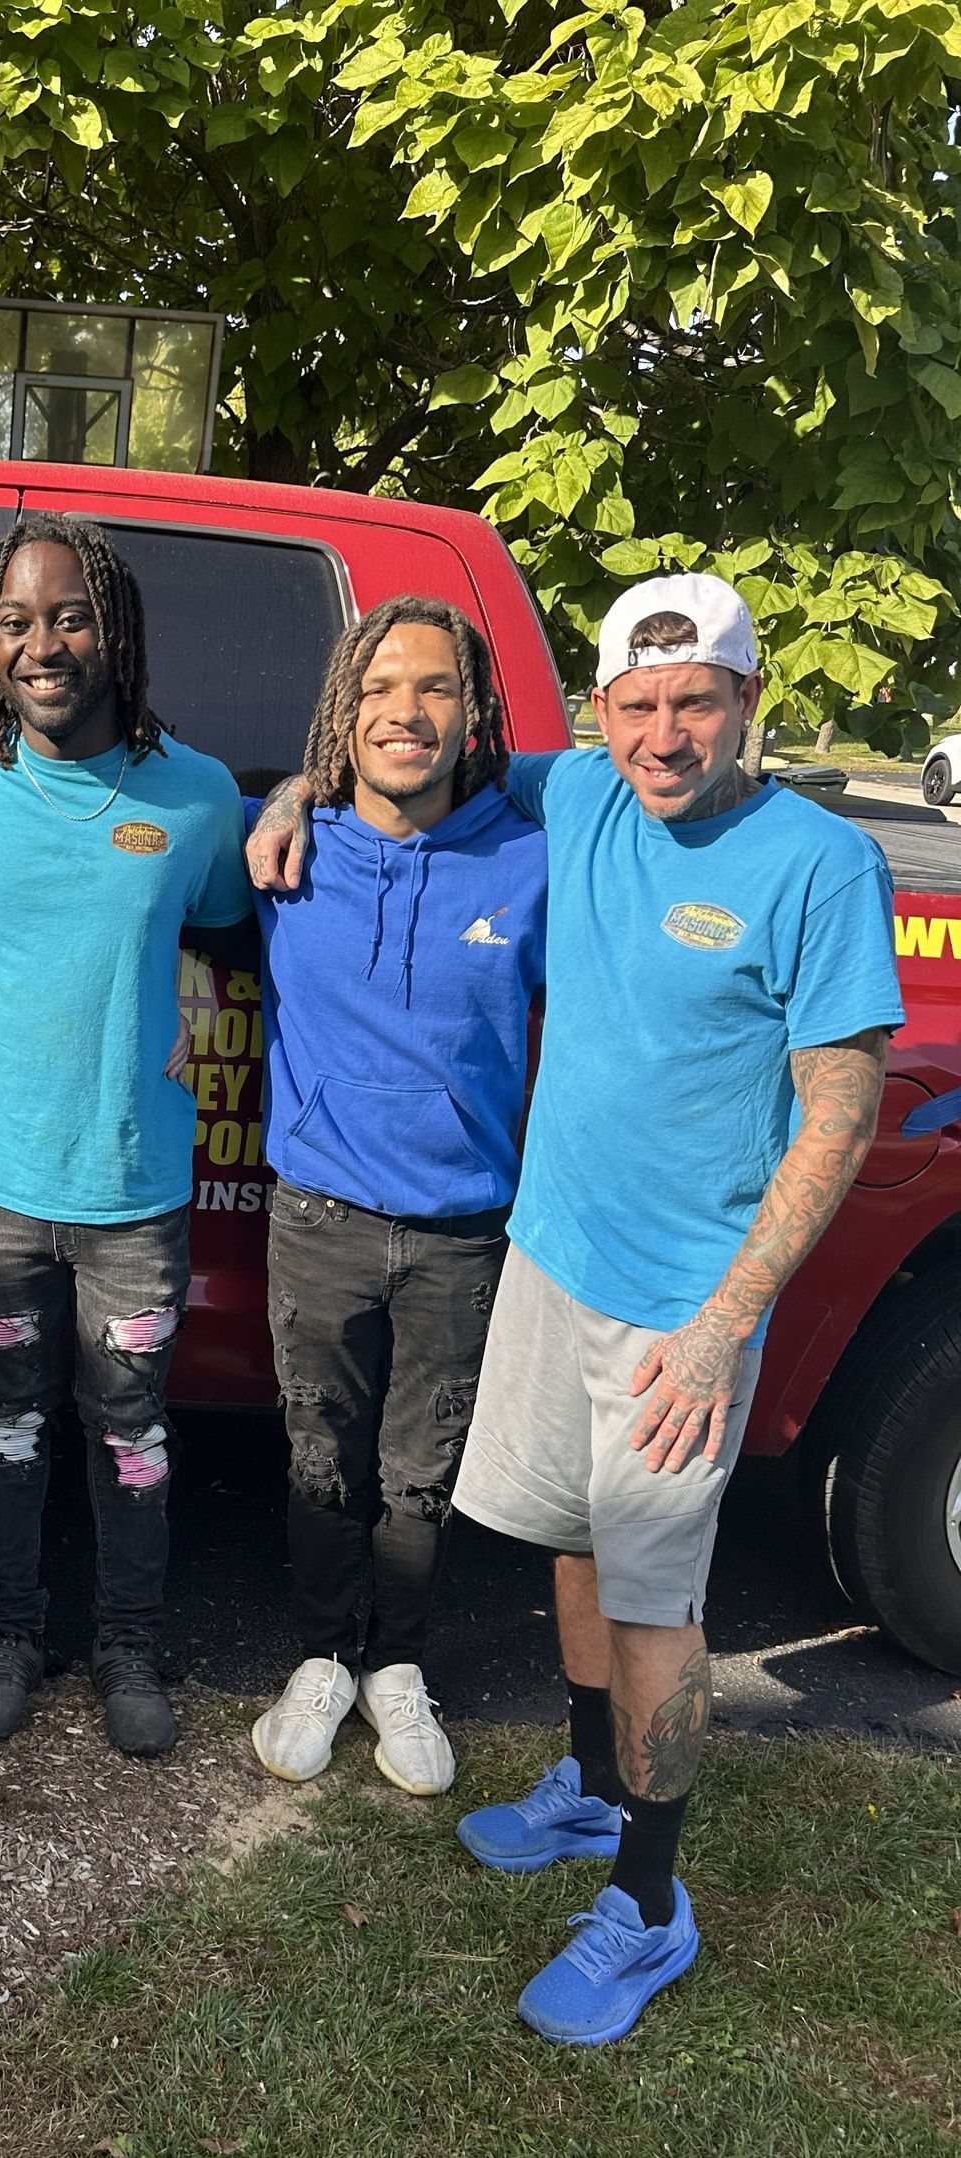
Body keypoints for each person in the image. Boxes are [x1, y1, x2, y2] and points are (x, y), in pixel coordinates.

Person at [249, 572, 902, 2041]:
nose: (667, 737)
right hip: (548, 1262)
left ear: (748, 700)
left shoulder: (819, 864)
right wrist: (297, 786)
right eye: (640, 705)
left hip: (684, 1315)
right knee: (569, 1543)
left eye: (698, 704)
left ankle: (653, 1905)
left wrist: (729, 1320)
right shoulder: (585, 796)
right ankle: (592, 1791)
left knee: (662, 1608)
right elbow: (395, 750)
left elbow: (840, 1114)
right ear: (601, 711)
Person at [0, 513, 251, 1757]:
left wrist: (298, 783)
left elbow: (235, 909)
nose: (45, 644)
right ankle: (9, 1636)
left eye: (71, 615)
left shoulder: (193, 796)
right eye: (18, 621)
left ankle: (131, 1649)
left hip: (135, 1185)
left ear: (117, 630)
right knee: (6, 1421)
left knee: (132, 1428)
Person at [245, 597, 546, 1800]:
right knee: (321, 1458)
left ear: (472, 712)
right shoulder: (284, 854)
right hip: (317, 1216)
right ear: (343, 711)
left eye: (432, 688)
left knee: (423, 1473)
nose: (402, 713)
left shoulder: (531, 860)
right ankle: (323, 1654)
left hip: (463, 1231)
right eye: (377, 690)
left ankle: (398, 1667)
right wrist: (283, 796)